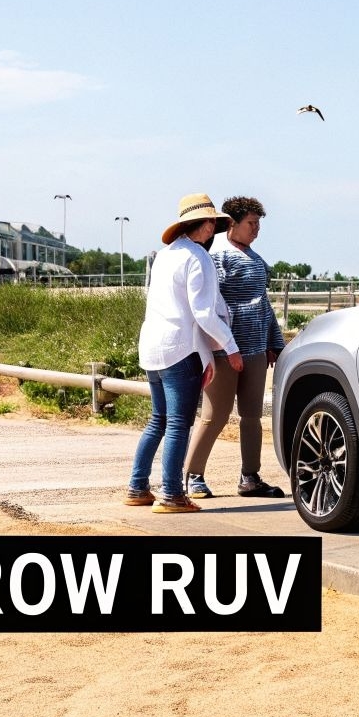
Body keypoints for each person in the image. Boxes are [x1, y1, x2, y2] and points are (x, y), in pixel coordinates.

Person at [125, 193, 243, 514]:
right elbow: (203, 313)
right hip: (180, 349)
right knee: (178, 423)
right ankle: (172, 494)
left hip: (152, 346)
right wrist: (230, 348)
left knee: (158, 421)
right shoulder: (198, 258)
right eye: (212, 225)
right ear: (204, 225)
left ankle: (137, 487)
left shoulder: (165, 255)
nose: (213, 232)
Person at [184, 195, 287, 498]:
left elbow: (263, 304)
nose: (257, 229)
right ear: (232, 224)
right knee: (215, 414)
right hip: (224, 348)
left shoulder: (255, 257)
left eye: (258, 224)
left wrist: (273, 342)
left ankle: (250, 476)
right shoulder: (217, 255)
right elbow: (211, 304)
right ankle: (193, 475)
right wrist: (224, 346)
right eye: (251, 223)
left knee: (253, 415)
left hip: (255, 348)